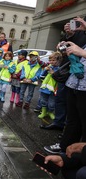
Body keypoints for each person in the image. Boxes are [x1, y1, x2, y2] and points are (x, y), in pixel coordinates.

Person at [44, 16, 86, 154]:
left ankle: (80, 155)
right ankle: (65, 148)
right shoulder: (82, 32)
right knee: (72, 119)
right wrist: (68, 41)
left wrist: (83, 53)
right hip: (75, 82)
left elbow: (81, 52)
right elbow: (75, 49)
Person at [37, 52, 62, 120]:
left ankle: (50, 112)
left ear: (58, 61)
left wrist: (52, 72)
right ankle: (44, 112)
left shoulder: (59, 69)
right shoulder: (48, 67)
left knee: (51, 104)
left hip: (53, 89)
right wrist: (45, 70)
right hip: (45, 88)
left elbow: (59, 77)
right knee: (43, 101)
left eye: (53, 60)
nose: (51, 62)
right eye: (50, 60)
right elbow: (41, 76)